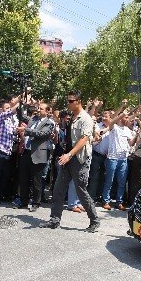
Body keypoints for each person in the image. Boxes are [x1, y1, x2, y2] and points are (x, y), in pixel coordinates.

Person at [39, 91, 100, 233]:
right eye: (68, 100)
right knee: (58, 189)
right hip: (68, 157)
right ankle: (55, 219)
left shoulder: (85, 118)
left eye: (71, 101)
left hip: (79, 159)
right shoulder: (72, 116)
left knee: (81, 191)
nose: (68, 103)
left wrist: (69, 155)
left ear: (79, 101)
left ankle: (94, 220)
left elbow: (84, 140)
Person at [16, 103, 55, 212]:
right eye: (38, 108)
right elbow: (21, 116)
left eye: (41, 109)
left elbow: (42, 133)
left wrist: (26, 130)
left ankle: (36, 202)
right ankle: (24, 201)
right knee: (24, 178)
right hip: (27, 152)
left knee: (36, 180)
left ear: (47, 111)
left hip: (39, 154)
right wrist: (21, 104)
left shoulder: (49, 122)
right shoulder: (33, 118)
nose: (38, 110)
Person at [101, 109, 135, 211]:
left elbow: (131, 143)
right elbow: (110, 122)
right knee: (109, 181)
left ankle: (119, 202)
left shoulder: (128, 130)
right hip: (112, 158)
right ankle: (106, 201)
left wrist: (137, 135)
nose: (127, 119)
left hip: (123, 159)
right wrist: (121, 114)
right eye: (126, 117)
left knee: (122, 182)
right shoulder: (114, 127)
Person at [0, 98, 20, 204]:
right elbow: (12, 111)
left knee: (5, 176)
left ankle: (0, 195)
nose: (9, 110)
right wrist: (20, 99)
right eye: (6, 108)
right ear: (1, 109)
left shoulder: (10, 121)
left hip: (9, 151)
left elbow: (14, 134)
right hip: (0, 150)